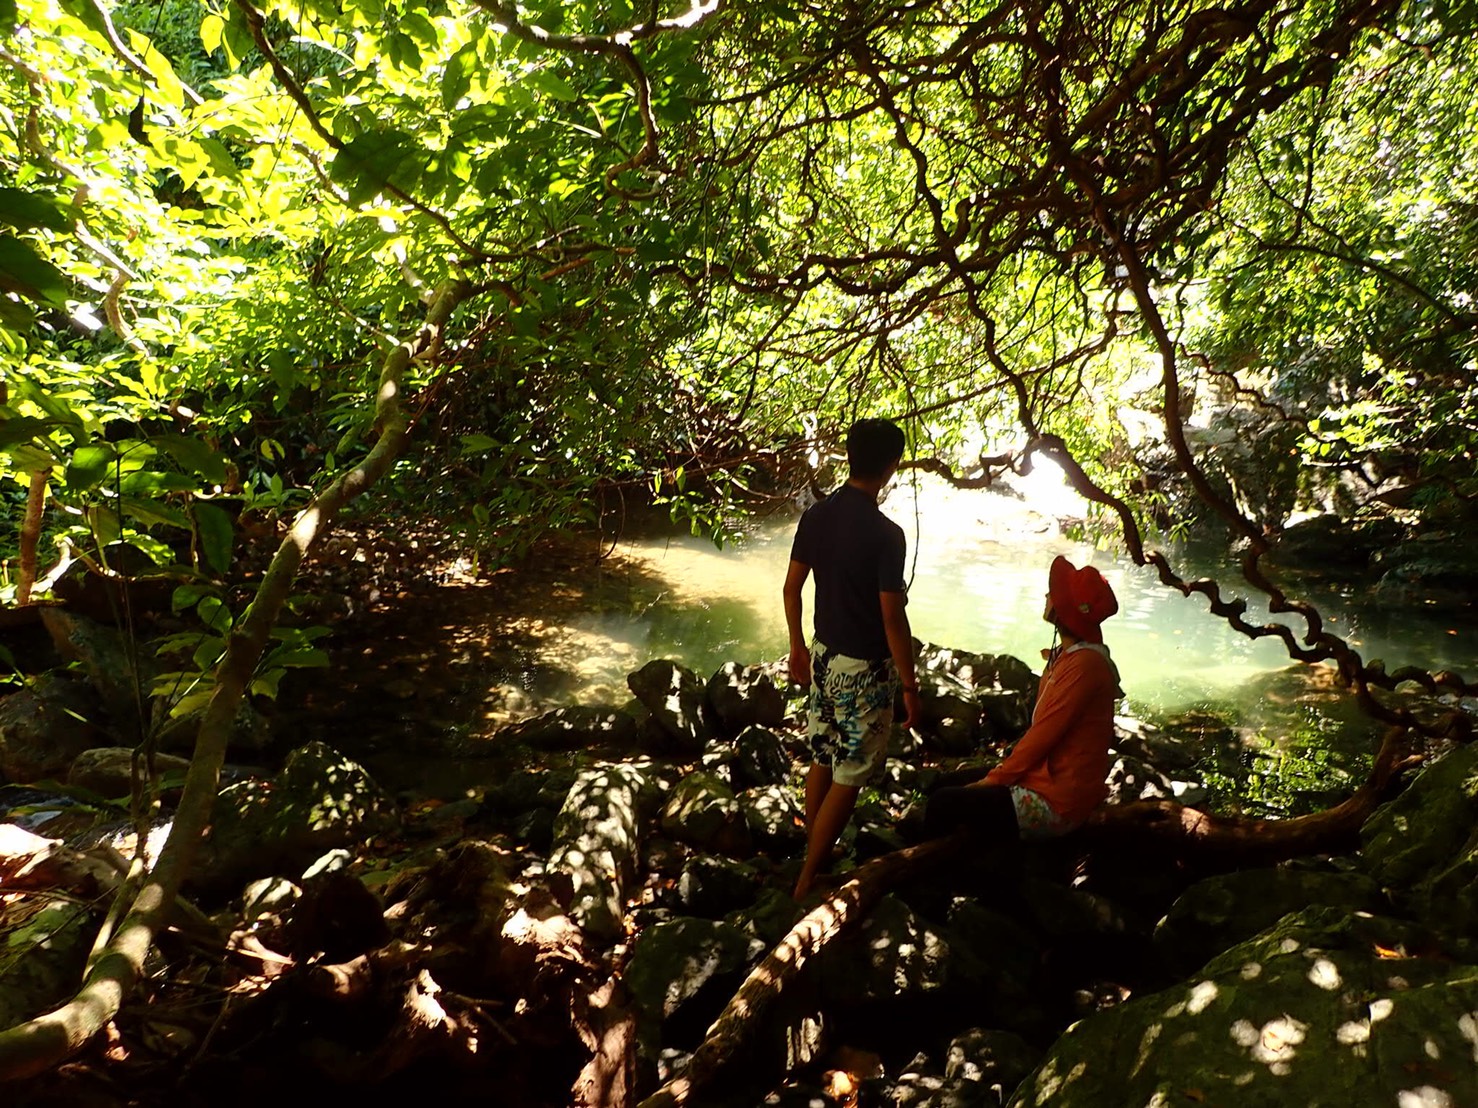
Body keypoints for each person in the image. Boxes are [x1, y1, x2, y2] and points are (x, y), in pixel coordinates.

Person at [784, 418, 923, 899]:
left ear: (849, 456)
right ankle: (808, 880)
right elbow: (891, 617)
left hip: (823, 655)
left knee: (823, 753)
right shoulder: (888, 534)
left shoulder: (816, 516)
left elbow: (792, 586)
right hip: (865, 668)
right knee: (850, 770)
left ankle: (812, 851)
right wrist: (910, 685)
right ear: (891, 467)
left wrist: (797, 646)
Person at [924, 556, 1122, 842]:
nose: (1046, 596)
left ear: (1063, 611)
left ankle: (934, 884)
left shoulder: (1085, 665)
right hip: (1043, 777)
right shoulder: (1070, 655)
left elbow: (1043, 734)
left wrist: (993, 780)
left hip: (1057, 798)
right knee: (945, 783)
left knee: (944, 803)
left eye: (1053, 594)